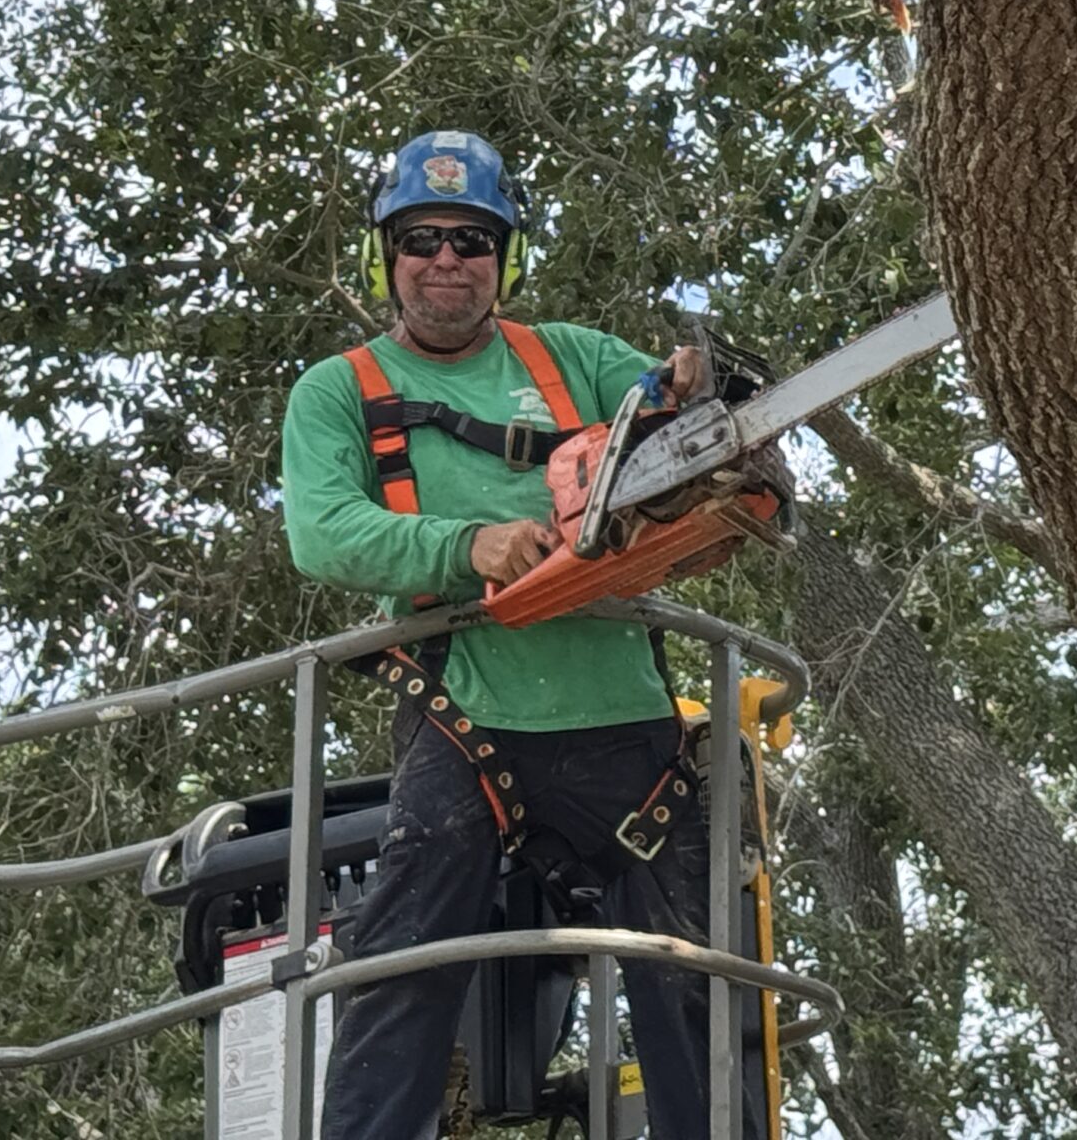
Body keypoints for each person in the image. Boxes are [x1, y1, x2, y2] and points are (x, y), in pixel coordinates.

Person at [281, 129, 762, 1140]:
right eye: (422, 238)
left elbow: (668, 426)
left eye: (471, 238)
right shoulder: (341, 391)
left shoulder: (572, 360)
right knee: (398, 975)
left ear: (503, 256)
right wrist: (472, 545)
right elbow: (325, 534)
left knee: (691, 983)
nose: (446, 259)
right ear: (390, 254)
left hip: (622, 713)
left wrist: (692, 399)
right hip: (465, 713)